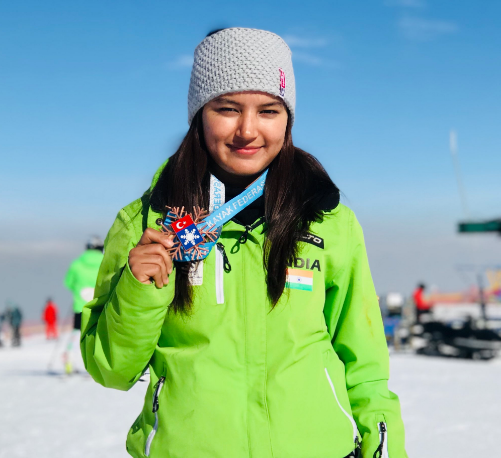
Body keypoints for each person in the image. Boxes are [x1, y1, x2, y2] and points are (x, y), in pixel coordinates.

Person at [81, 28, 407, 458]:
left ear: (287, 119)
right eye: (228, 108)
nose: (248, 130)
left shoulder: (330, 221)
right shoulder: (145, 223)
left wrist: (385, 446)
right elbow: (111, 369)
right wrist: (138, 290)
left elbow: (365, 366)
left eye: (268, 110)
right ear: (200, 113)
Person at [64, 236, 104, 373]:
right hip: (98, 305)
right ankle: (94, 366)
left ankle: (69, 359)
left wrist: (77, 290)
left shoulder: (76, 264)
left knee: (76, 332)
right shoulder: (105, 262)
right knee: (98, 333)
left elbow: (68, 283)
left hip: (80, 305)